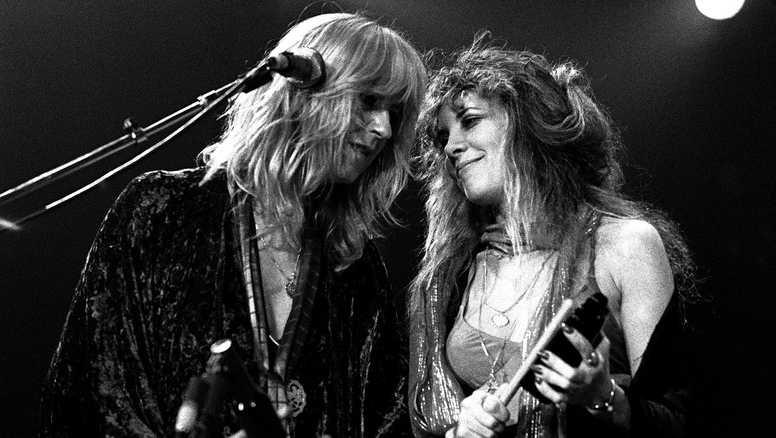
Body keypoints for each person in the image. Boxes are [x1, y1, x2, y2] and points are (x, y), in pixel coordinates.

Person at [39, 12, 426, 438]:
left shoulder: (356, 263)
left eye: (395, 112)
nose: (385, 128)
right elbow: (88, 396)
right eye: (369, 100)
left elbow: (386, 421)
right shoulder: (161, 212)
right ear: (304, 91)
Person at [408, 37, 699, 438]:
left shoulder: (625, 245)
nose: (453, 147)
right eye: (443, 138)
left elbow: (678, 422)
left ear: (529, 127)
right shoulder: (453, 270)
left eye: (470, 121)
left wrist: (602, 396)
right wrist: (460, 428)